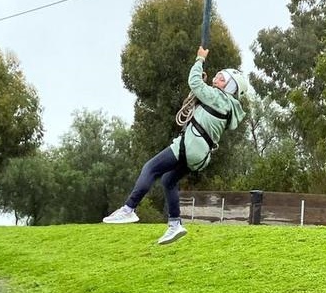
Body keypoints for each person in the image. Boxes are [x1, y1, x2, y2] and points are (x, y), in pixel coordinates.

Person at [103, 46, 247, 244]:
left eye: (221, 79)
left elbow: (194, 82)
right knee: (169, 180)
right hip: (200, 154)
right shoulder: (225, 104)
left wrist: (200, 59)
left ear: (231, 88)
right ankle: (175, 224)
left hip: (190, 145)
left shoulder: (219, 98)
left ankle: (128, 209)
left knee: (151, 168)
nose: (215, 79)